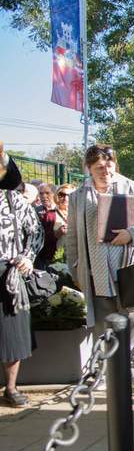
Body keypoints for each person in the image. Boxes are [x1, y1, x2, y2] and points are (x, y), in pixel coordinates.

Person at [65, 144, 134, 389]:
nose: (105, 171)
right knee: (103, 321)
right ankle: (104, 370)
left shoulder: (133, 187)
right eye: (99, 167)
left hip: (128, 265)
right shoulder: (78, 196)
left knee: (131, 320)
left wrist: (133, 233)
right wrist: (74, 267)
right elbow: (73, 237)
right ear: (88, 168)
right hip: (95, 269)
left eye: (109, 165)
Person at [0, 144, 43, 406]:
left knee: (11, 332)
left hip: (8, 273)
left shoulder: (12, 198)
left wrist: (27, 256)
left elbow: (35, 231)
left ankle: (11, 387)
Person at [34, 183, 59, 269]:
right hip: (40, 254)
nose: (44, 196)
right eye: (41, 193)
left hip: (58, 253)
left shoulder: (62, 209)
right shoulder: (35, 211)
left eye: (47, 193)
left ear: (54, 194)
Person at [53, 183, 76, 249]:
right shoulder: (50, 214)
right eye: (62, 195)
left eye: (70, 195)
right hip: (58, 255)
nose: (65, 198)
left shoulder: (79, 213)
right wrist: (58, 233)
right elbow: (45, 239)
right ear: (57, 196)